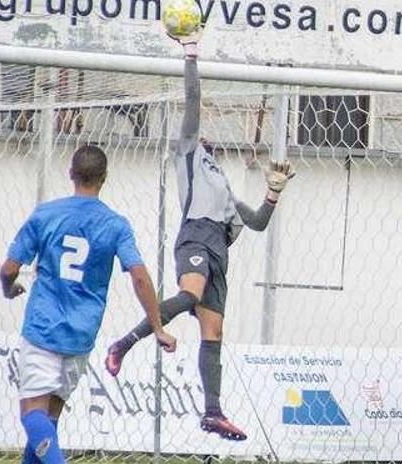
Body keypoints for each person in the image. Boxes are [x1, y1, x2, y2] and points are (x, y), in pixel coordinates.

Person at [103, 26, 295, 442]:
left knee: (214, 333)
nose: (204, 136)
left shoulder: (223, 185)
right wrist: (190, 55)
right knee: (188, 294)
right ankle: (124, 342)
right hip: (195, 237)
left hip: (218, 252)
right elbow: (193, 101)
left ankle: (213, 412)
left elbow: (257, 222)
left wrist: (274, 193)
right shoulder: (188, 154)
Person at [0, 145, 176, 464]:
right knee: (49, 424)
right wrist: (157, 326)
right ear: (104, 178)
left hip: (44, 329)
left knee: (31, 415)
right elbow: (139, 275)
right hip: (81, 337)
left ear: (70, 173)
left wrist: (7, 288)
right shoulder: (115, 225)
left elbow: (10, 267)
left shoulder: (46, 214)